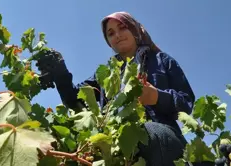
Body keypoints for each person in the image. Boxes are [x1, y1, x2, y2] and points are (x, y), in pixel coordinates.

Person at [36, 11, 195, 166]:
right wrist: (60, 73)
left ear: (134, 29)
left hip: (162, 142)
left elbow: (186, 101)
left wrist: (157, 97)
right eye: (111, 33)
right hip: (115, 143)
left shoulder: (162, 60)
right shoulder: (106, 72)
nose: (117, 35)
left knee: (151, 133)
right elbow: (74, 99)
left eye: (122, 27)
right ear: (109, 41)